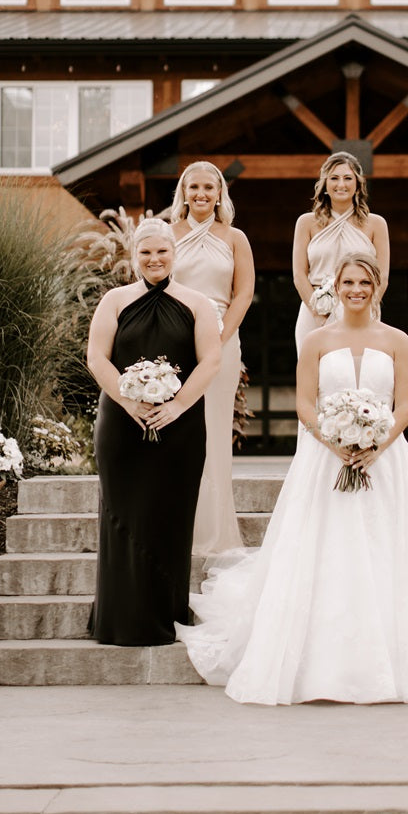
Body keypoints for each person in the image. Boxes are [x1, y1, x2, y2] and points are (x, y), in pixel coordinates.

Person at [174, 253, 408, 704]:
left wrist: (376, 444)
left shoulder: (397, 340)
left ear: (376, 287)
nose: (355, 290)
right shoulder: (317, 340)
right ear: (335, 288)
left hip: (387, 462)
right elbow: (304, 403)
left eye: (364, 282)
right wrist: (333, 440)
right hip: (325, 458)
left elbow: (404, 406)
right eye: (348, 282)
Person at [86, 218, 221, 645]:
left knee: (170, 518)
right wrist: (129, 401)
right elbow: (96, 357)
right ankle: (119, 619)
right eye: (145, 252)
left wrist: (178, 405)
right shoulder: (114, 300)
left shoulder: (198, 303)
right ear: (134, 256)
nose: (154, 259)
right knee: (123, 518)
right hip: (122, 427)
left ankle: (166, 615)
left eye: (162, 251)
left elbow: (211, 361)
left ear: (174, 254)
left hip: (179, 428)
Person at [170, 161, 255, 557]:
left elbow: (242, 293)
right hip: (174, 342)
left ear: (220, 193)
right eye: (194, 187)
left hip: (222, 340)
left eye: (209, 187)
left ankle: (215, 530)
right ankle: (176, 524)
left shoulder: (235, 237)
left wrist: (221, 337)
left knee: (214, 431)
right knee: (177, 429)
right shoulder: (167, 234)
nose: (201, 194)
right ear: (183, 192)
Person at [292, 151, 389, 357]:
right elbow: (299, 274)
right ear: (325, 184)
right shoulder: (306, 223)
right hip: (315, 310)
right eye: (334, 178)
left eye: (347, 178)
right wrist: (318, 312)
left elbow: (383, 276)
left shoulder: (376, 224)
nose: (341, 184)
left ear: (358, 184)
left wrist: (364, 309)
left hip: (361, 305)